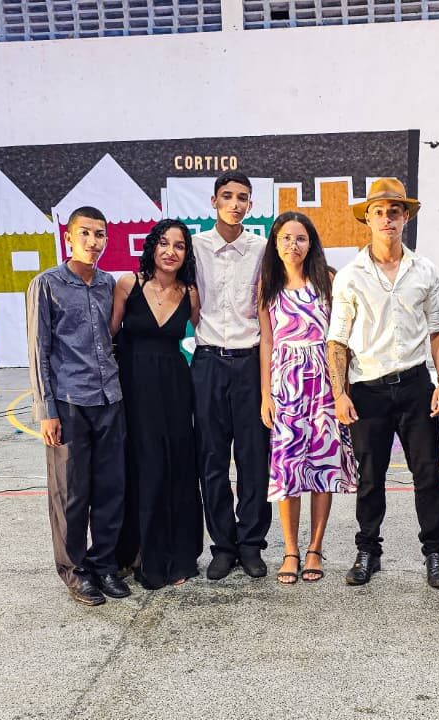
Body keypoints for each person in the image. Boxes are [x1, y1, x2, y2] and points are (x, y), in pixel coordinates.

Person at [327, 177, 439, 589]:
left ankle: (435, 553)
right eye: (379, 212)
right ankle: (368, 551)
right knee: (370, 477)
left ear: (405, 218)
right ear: (368, 219)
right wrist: (340, 393)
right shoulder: (350, 276)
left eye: (394, 212)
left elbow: (438, 330)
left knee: (428, 474)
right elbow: (337, 340)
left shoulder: (425, 270)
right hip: (368, 390)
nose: (387, 219)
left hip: (416, 385)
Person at [26, 205, 131, 606]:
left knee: (110, 489)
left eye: (99, 234)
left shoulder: (107, 284)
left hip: (109, 399)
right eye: (84, 233)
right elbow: (38, 351)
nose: (93, 241)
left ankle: (104, 564)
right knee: (70, 493)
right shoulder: (46, 285)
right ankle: (75, 571)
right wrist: (46, 411)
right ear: (68, 237)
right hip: (69, 403)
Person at [258, 211, 357, 584]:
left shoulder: (327, 280)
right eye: (285, 238)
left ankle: (315, 547)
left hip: (323, 385)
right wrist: (266, 394)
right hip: (286, 386)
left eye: (300, 238)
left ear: (311, 243)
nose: (293, 245)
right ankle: (290, 550)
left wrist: (341, 390)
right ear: (275, 243)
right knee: (288, 470)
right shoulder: (268, 284)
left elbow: (339, 340)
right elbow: (267, 342)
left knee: (321, 469)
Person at [110, 219, 204, 589]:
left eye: (179, 246)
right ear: (152, 246)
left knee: (176, 468)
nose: (170, 251)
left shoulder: (190, 293)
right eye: (164, 243)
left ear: (186, 254)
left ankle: (177, 556)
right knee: (141, 468)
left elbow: (196, 337)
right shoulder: (128, 284)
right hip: (134, 388)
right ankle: (138, 555)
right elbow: (109, 336)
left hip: (175, 389)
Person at [189, 171, 272, 580]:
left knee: (255, 458)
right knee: (212, 459)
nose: (235, 204)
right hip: (208, 361)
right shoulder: (195, 247)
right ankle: (223, 545)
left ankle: (252, 543)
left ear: (251, 205)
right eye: (227, 196)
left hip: (250, 362)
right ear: (214, 201)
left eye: (242, 198)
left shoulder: (262, 248)